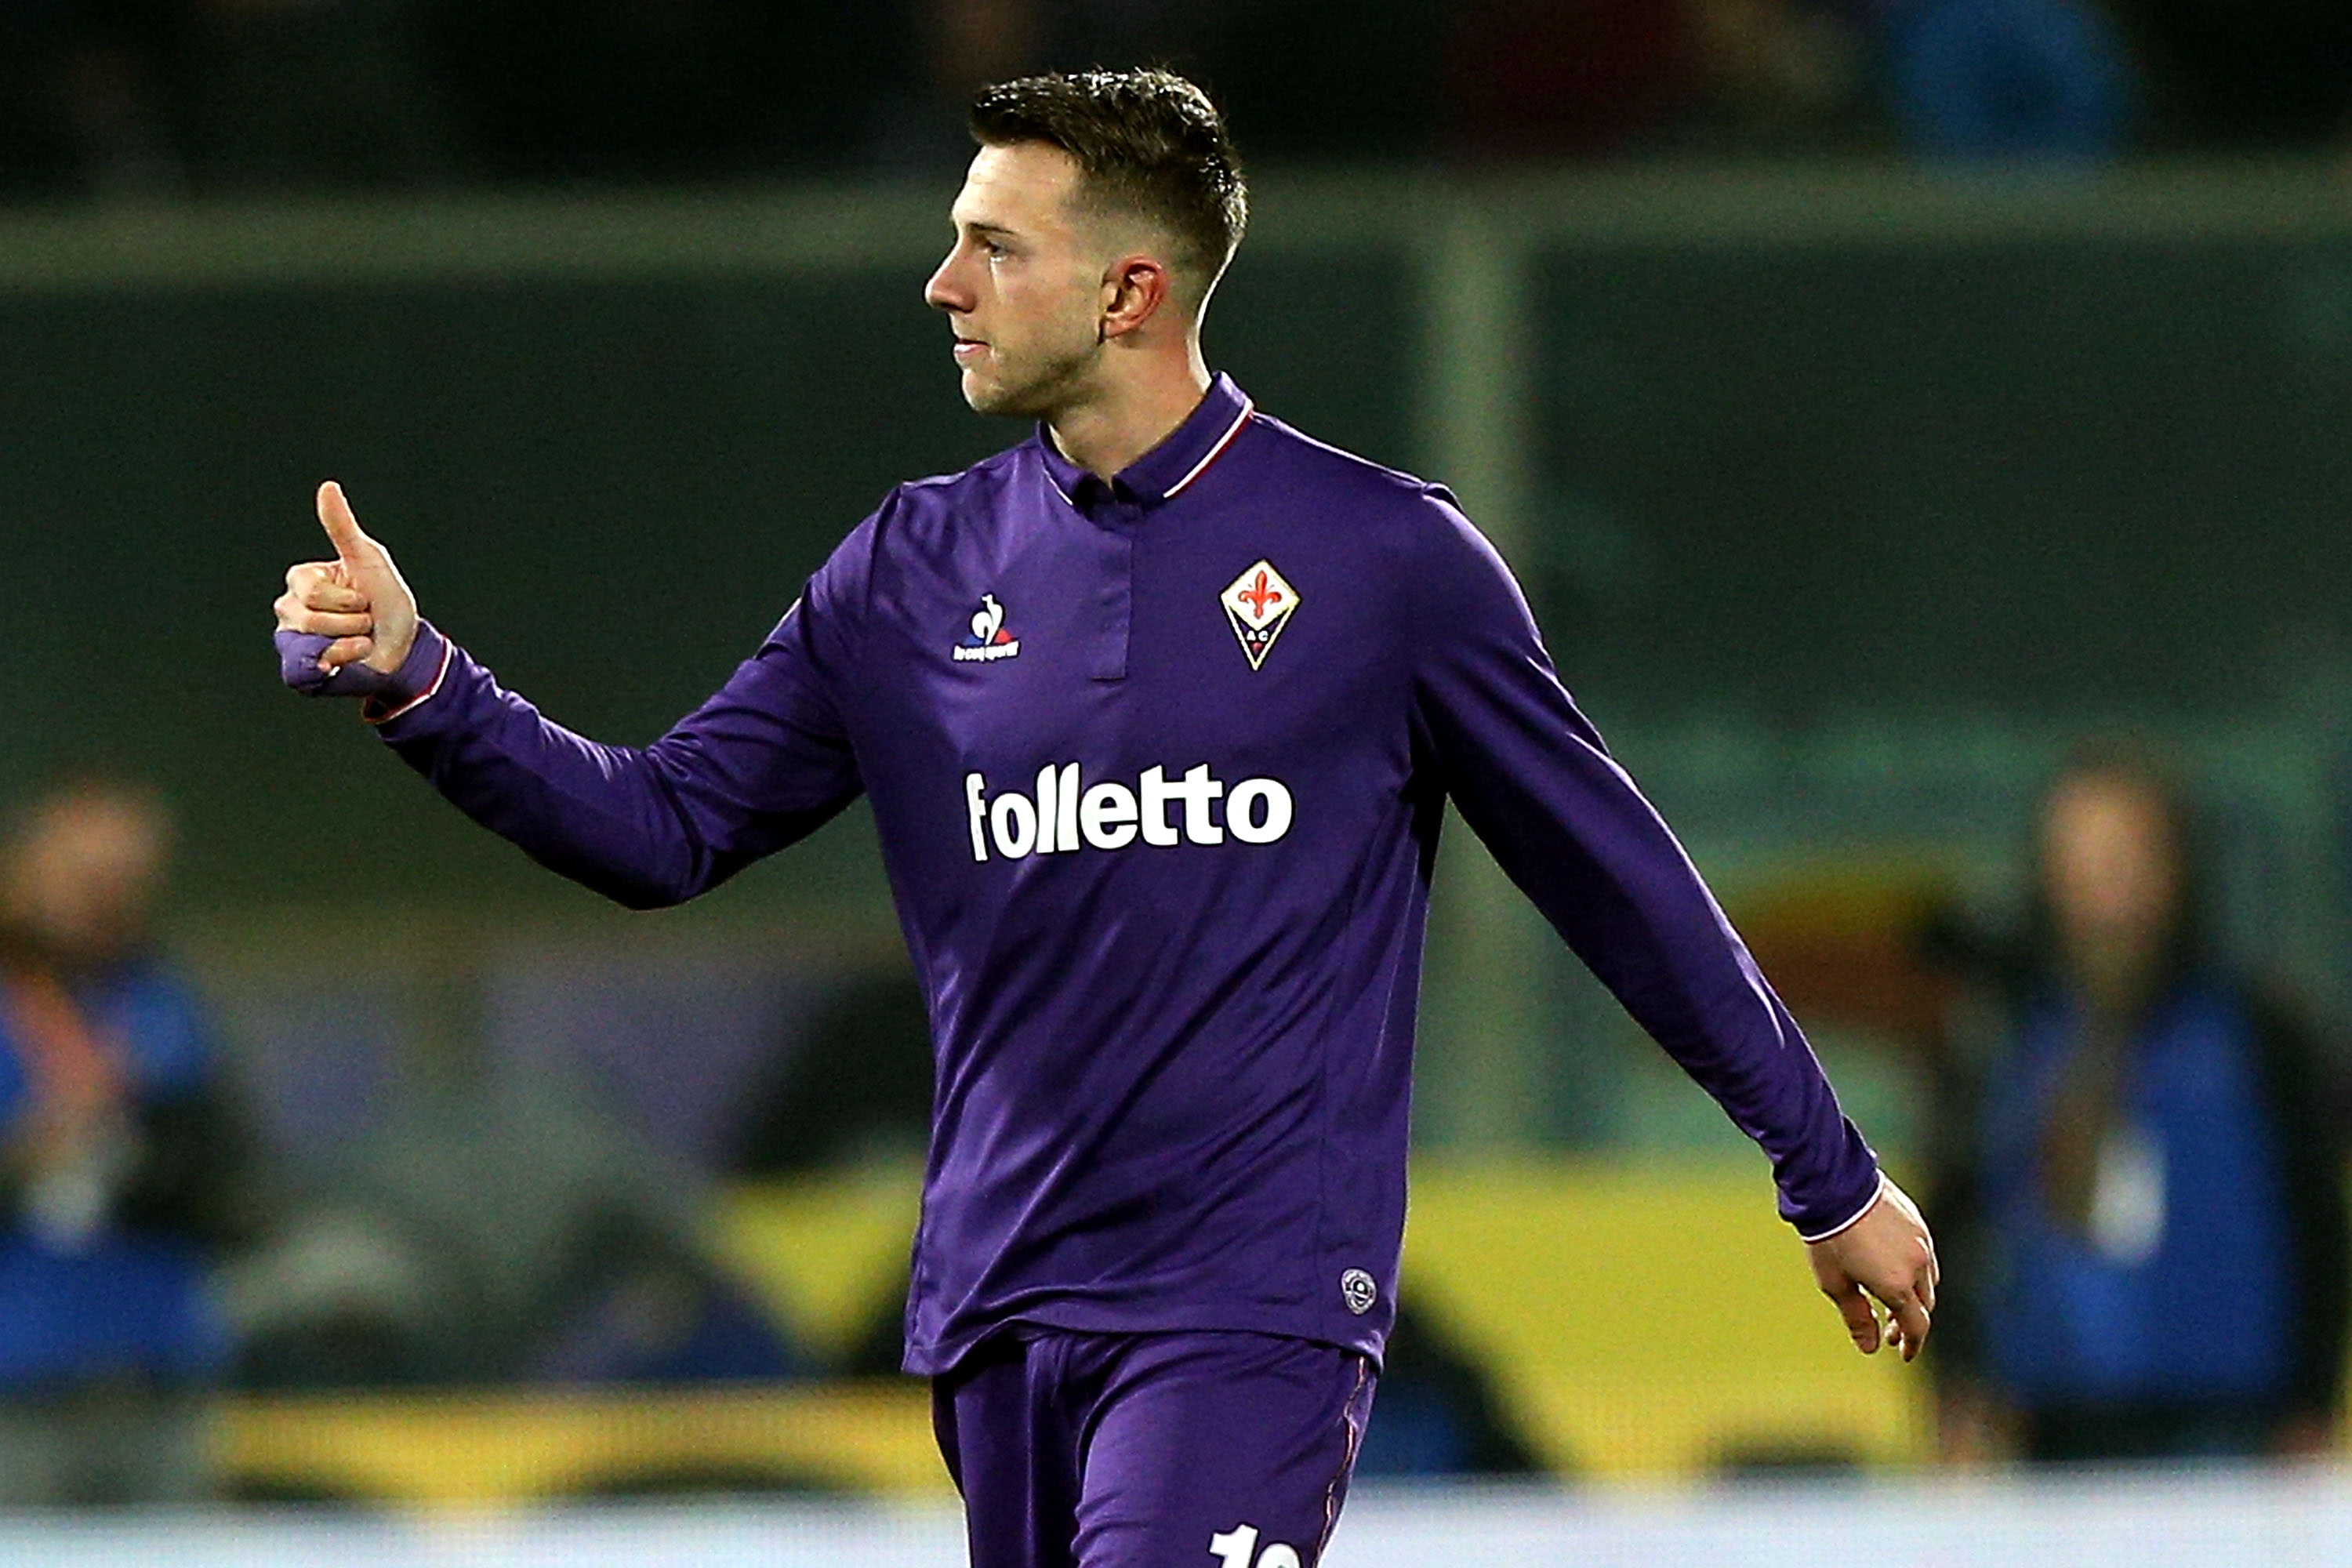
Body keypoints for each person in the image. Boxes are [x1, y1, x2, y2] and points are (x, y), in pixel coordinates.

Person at [272, 68, 1935, 1566]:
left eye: (994, 245)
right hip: (1001, 1304)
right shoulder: (908, 572)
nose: (944, 284)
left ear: (1130, 289)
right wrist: (426, 680)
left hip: (1248, 1302)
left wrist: (1825, 1167)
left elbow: (1619, 881)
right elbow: (662, 827)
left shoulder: (1386, 565)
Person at [1931, 747, 2347, 1463]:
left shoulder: (2257, 1034)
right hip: (2050, 1431)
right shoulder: (2001, 1042)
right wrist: (1958, 1386)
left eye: (2124, 855)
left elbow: (2315, 1222)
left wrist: (2314, 1398)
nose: (2103, 886)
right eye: (2079, 859)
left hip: (2235, 1431)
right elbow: (1950, 1225)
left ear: (2174, 869)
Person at [0, 779, 254, 1504]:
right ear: (27, 868)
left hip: (159, 1385)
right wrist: (26, 1161)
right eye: (83, 878)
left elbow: (229, 1177)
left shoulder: (164, 1004)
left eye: (122, 880)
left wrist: (136, 1150)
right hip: (16, 1391)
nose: (102, 900)